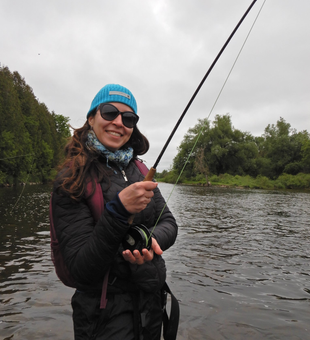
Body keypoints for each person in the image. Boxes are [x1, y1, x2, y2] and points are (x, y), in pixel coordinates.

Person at [51, 84, 178, 340]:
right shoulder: (71, 179)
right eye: (110, 112)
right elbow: (80, 269)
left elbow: (168, 222)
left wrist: (151, 242)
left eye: (129, 118)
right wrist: (119, 211)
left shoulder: (139, 171)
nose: (119, 122)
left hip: (149, 306)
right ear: (91, 117)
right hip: (102, 317)